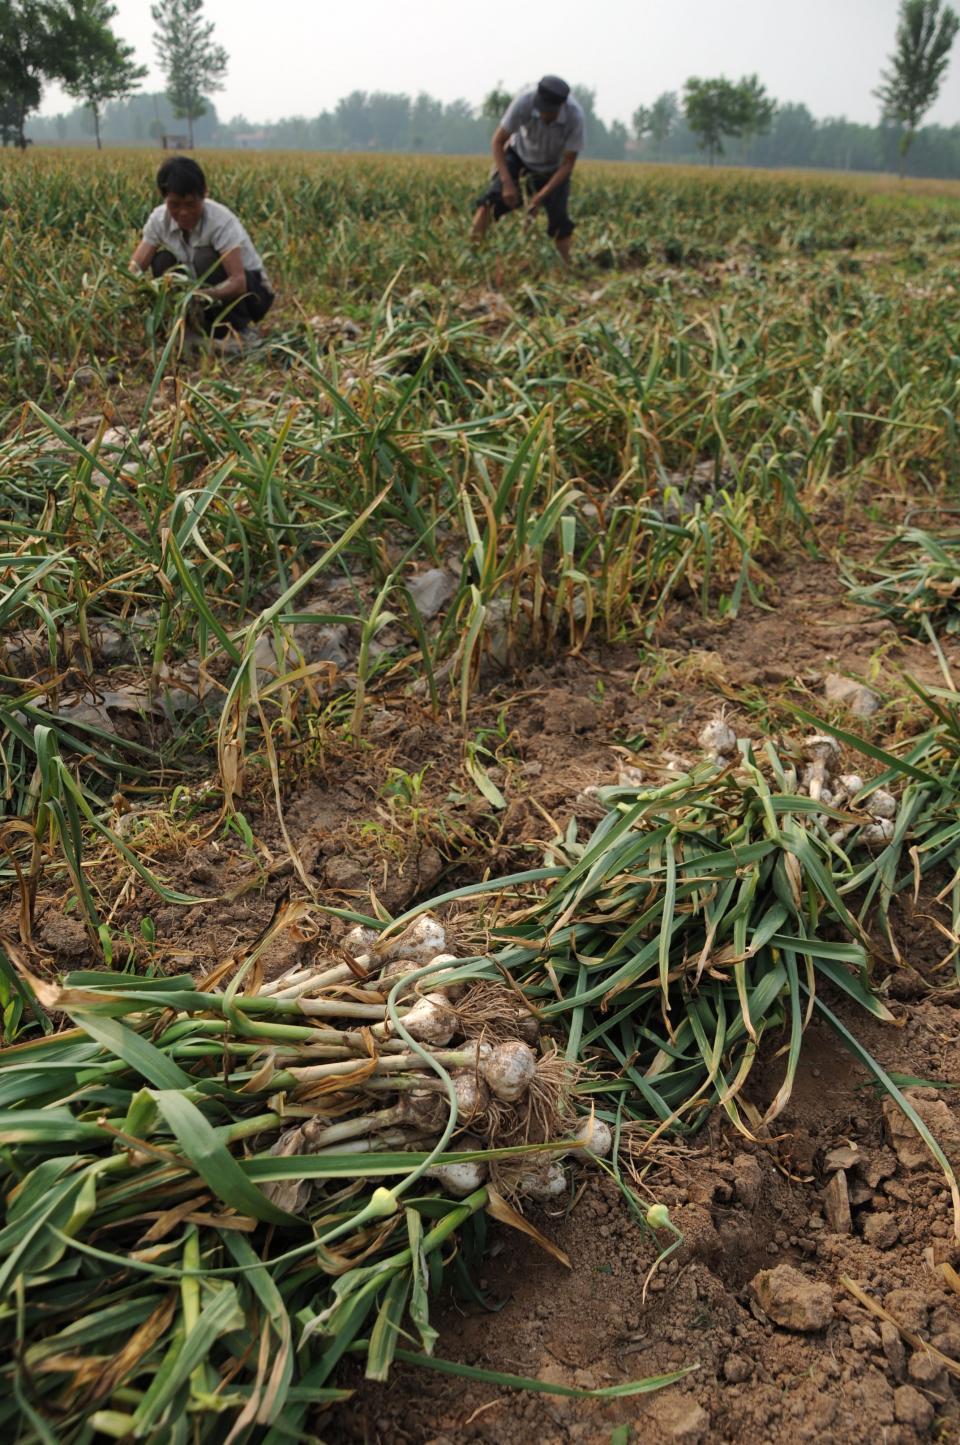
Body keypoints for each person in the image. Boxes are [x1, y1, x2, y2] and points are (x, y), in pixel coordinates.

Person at [129, 156, 274, 348]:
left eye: (190, 204)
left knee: (205, 258)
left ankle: (241, 331)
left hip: (252, 294)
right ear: (164, 198)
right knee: (162, 260)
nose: (183, 213)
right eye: (175, 205)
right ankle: (192, 330)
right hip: (204, 297)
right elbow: (136, 268)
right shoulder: (159, 220)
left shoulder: (220, 221)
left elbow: (238, 282)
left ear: (204, 194)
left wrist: (197, 297)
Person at [471, 76, 585, 265]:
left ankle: (566, 269)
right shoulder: (524, 102)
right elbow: (498, 141)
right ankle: (473, 257)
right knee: (489, 204)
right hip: (519, 158)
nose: (543, 115)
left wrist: (540, 197)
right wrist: (507, 182)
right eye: (541, 110)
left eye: (549, 112)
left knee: (560, 220)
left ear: (561, 107)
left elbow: (568, 164)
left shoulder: (575, 116)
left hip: (553, 169)